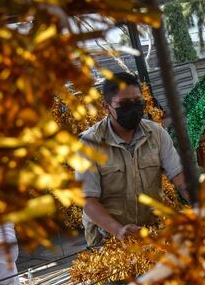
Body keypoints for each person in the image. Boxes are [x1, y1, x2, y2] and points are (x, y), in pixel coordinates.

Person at [76, 72, 188, 247]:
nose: (133, 109)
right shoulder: (90, 144)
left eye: (137, 102)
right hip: (107, 240)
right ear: (106, 107)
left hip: (150, 232)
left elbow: (179, 176)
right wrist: (118, 230)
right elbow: (88, 200)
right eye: (124, 104)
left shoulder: (156, 134)